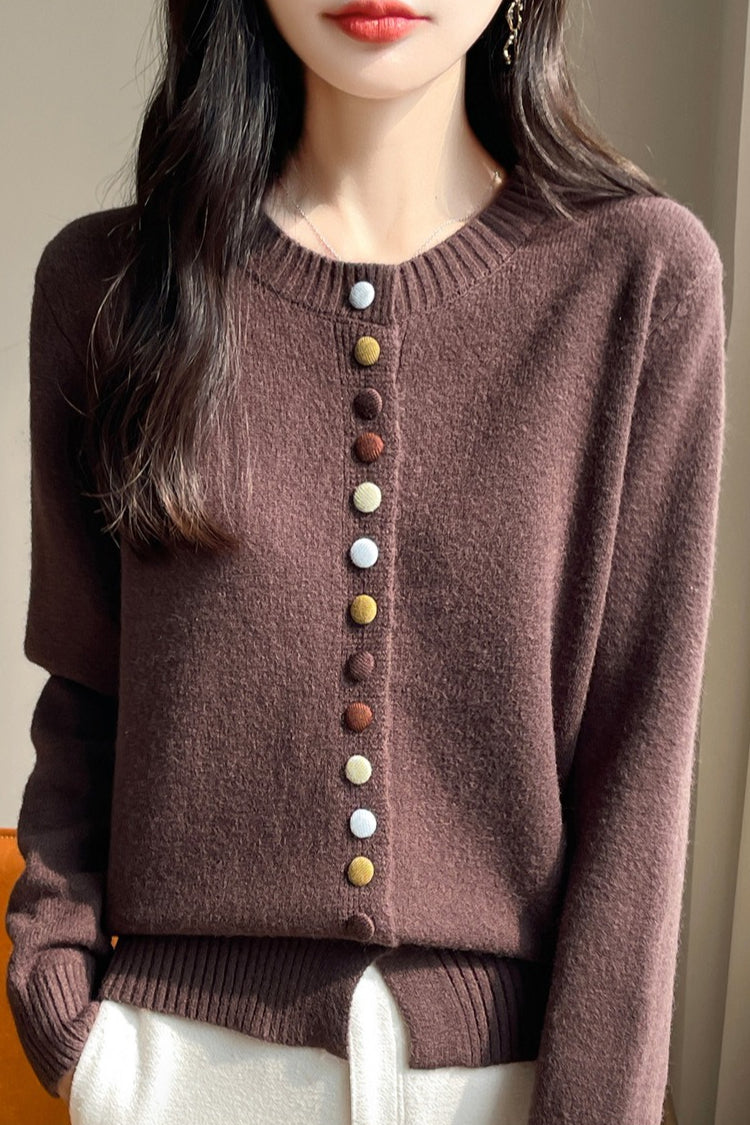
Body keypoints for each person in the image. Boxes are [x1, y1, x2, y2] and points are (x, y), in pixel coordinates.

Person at [5, 0, 727, 1123]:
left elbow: (642, 759)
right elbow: (85, 692)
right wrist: (66, 1011)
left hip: (508, 1086)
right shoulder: (109, 285)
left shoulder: (640, 280)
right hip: (176, 1071)